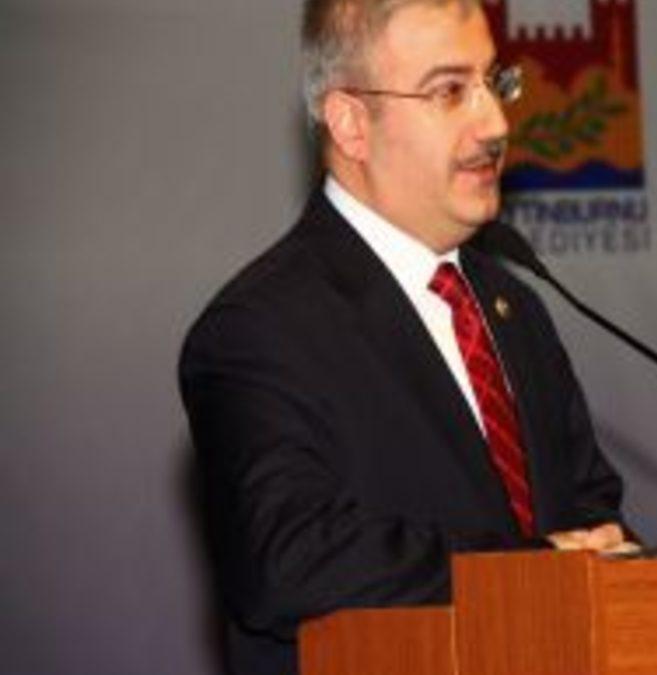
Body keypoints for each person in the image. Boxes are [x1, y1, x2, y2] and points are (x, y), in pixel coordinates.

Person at [178, 1, 633, 672]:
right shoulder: (260, 328)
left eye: (494, 82)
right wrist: (530, 569)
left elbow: (592, 521)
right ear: (351, 123)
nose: (496, 124)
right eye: (449, 91)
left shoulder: (515, 309)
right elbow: (287, 559)